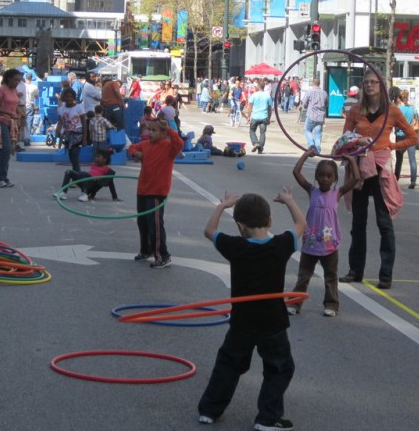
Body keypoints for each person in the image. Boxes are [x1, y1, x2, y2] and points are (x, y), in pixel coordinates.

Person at [197, 188, 306, 430]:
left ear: (240, 226)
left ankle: (209, 411)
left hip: (242, 322)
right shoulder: (282, 245)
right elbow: (301, 224)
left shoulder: (235, 246)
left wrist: (222, 205)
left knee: (228, 364)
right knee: (279, 368)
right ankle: (267, 419)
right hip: (273, 323)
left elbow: (209, 231)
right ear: (270, 222)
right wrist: (288, 200)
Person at [339, 68, 417, 289]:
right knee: (358, 223)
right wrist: (357, 141)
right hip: (361, 169)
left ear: (381, 86)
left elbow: (412, 137)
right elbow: (344, 137)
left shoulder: (392, 111)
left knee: (384, 224)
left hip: (381, 169)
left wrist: (391, 146)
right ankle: (355, 270)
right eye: (366, 82)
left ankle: (385, 275)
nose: (369, 86)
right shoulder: (355, 111)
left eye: (374, 82)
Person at [288, 149, 359, 317]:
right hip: (311, 244)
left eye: (329, 176)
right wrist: (306, 155)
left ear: (335, 178)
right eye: (321, 175)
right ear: (316, 176)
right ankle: (295, 303)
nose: (325, 179)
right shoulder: (312, 191)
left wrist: (351, 160)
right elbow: (296, 172)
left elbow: (356, 179)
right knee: (303, 276)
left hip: (329, 245)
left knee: (330, 277)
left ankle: (332, 305)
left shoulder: (337, 193)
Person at [128, 117, 184, 268]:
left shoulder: (168, 148)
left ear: (163, 133)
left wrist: (169, 129)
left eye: (154, 130)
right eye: (149, 129)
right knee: (143, 223)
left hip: (157, 191)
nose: (150, 133)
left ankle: (163, 255)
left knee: (155, 225)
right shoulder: (145, 145)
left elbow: (179, 143)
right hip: (143, 189)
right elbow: (132, 147)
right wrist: (135, 154)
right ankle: (146, 250)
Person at [0, 69, 24, 188]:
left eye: (19, 80)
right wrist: (9, 114)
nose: (17, 82)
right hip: (1, 121)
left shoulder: (14, 90)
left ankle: (3, 177)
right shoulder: (1, 90)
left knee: (8, 150)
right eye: (15, 79)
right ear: (8, 78)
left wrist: (19, 113)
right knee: (5, 149)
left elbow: (14, 106)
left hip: (12, 122)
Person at [53, 148, 121, 203]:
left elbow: (110, 182)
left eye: (98, 157)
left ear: (105, 160)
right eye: (95, 157)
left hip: (92, 184)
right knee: (69, 172)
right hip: (84, 180)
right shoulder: (94, 165)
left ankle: (85, 194)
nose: (95, 158)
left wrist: (114, 197)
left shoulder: (107, 169)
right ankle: (63, 192)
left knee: (84, 173)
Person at [55, 88, 87, 172]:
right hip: (67, 136)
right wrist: (57, 133)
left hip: (77, 136)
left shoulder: (79, 108)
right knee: (71, 157)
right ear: (64, 98)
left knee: (75, 155)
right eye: (67, 96)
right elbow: (60, 122)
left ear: (73, 97)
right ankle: (76, 176)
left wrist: (84, 139)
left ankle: (77, 178)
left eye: (71, 96)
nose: (69, 98)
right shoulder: (61, 109)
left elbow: (84, 124)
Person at [394, 90, 419, 189]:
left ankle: (396, 179)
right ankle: (413, 180)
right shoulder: (412, 109)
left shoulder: (398, 109)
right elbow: (417, 121)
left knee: (399, 159)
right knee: (412, 159)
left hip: (400, 136)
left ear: (399, 98)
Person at [301, 78, 328, 153]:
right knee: (318, 133)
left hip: (311, 114)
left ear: (313, 83)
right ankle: (317, 149)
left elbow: (304, 103)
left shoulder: (309, 92)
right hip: (320, 116)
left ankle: (311, 144)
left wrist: (305, 107)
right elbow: (326, 104)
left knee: (307, 130)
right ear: (319, 84)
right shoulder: (324, 93)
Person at [247, 81, 273, 154]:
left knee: (252, 130)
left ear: (258, 87)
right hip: (264, 117)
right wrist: (269, 118)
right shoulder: (267, 96)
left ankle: (255, 143)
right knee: (262, 133)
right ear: (264, 87)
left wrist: (248, 116)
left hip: (255, 116)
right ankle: (260, 148)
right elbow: (270, 108)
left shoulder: (254, 95)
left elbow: (250, 106)